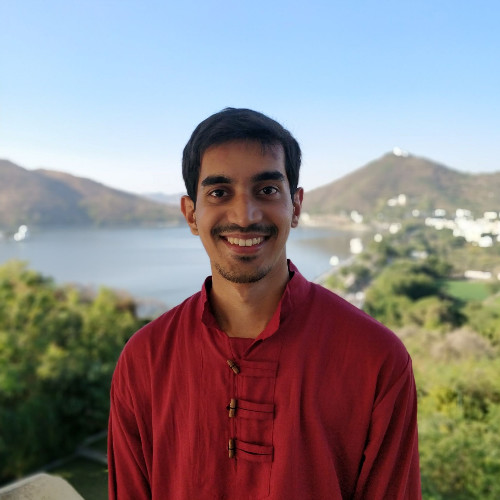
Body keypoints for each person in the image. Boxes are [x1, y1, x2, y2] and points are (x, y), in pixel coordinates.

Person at [108, 108, 421, 499]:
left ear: (296, 207)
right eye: (219, 193)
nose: (245, 216)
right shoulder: (145, 359)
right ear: (191, 214)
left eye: (267, 190)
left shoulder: (375, 358)